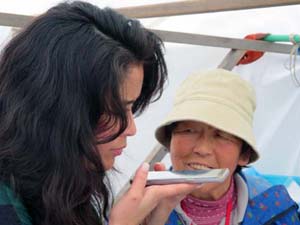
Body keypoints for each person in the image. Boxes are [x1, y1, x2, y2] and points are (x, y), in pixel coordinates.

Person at [0, 2, 199, 225]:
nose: (131, 129)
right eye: (116, 110)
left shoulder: (63, 186)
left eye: (132, 108)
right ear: (59, 108)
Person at [155, 69, 300, 225]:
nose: (202, 149)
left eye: (221, 136)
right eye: (189, 130)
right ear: (170, 140)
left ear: (244, 154)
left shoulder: (273, 209)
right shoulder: (140, 207)